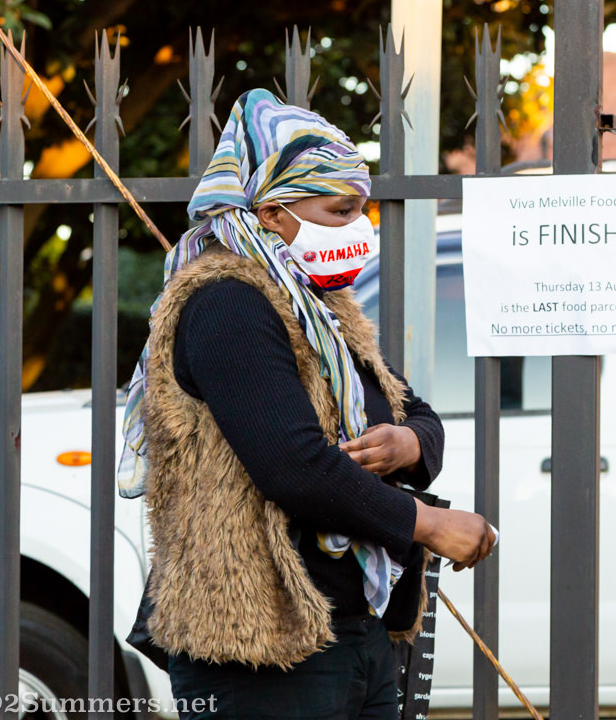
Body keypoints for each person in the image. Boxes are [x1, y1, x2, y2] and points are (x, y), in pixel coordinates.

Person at [117, 88, 496, 720]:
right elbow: (294, 467)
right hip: (261, 646)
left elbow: (414, 412)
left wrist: (408, 444)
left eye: (361, 210)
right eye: (340, 208)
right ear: (271, 212)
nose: (358, 226)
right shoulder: (226, 302)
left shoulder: (320, 306)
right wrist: (427, 525)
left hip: (354, 632)